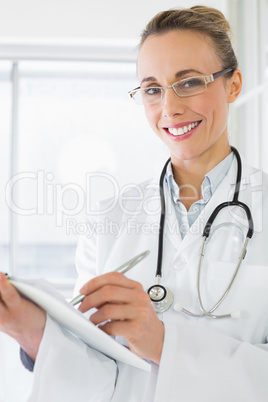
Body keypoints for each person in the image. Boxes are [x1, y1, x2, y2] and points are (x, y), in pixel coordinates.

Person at [1, 5, 268, 402]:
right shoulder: (110, 219)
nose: (170, 108)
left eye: (190, 82)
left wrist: (163, 342)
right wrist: (29, 329)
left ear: (232, 85)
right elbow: (96, 371)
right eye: (152, 89)